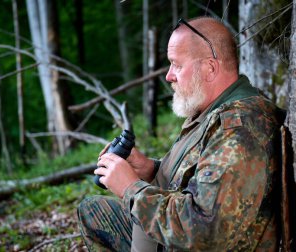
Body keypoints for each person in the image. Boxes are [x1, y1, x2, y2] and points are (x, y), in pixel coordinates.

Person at [77, 16, 283, 251]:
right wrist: (150, 170)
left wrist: (131, 189)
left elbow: (206, 231)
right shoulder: (213, 110)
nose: (169, 76)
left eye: (177, 65)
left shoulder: (238, 128)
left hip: (195, 240)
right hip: (179, 236)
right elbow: (197, 179)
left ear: (210, 68)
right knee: (92, 211)